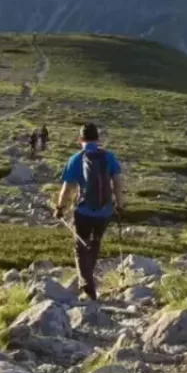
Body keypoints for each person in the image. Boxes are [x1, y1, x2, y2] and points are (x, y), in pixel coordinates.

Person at [53, 123, 124, 300]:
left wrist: (60, 208)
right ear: (97, 139)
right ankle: (88, 280)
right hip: (105, 211)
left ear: (80, 139)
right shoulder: (109, 157)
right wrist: (119, 205)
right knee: (95, 243)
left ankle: (87, 285)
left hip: (83, 211)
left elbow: (67, 189)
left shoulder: (75, 159)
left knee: (80, 246)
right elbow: (117, 182)